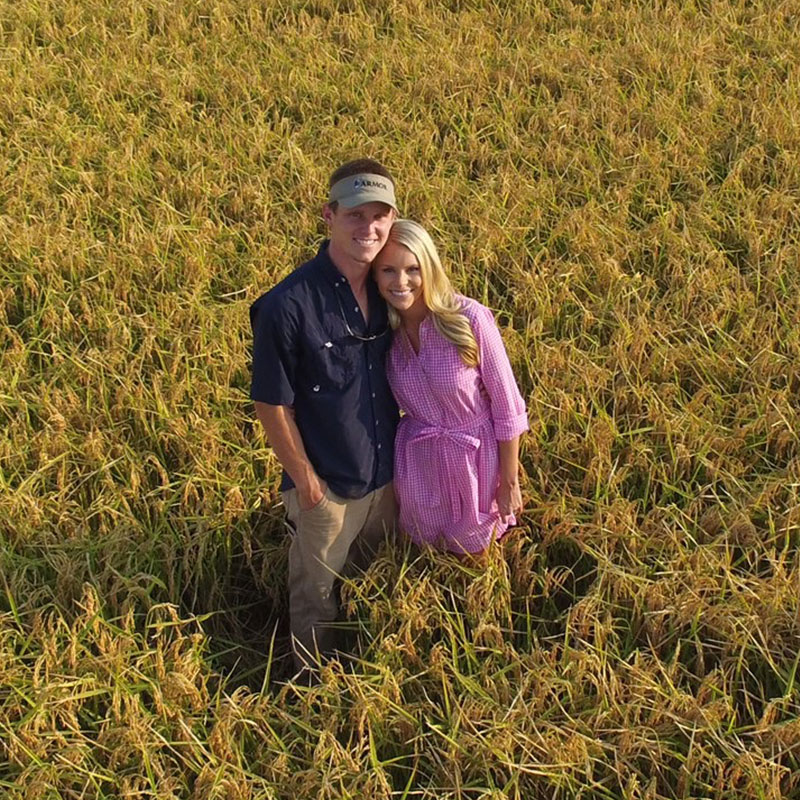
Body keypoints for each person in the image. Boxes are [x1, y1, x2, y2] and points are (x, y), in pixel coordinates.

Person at [249, 159, 399, 672]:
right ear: (328, 215)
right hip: (327, 487)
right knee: (316, 597)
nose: (369, 227)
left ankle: (363, 673)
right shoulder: (287, 306)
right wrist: (306, 483)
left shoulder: (390, 291)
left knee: (372, 578)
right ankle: (312, 690)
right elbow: (271, 403)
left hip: (385, 478)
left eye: (380, 215)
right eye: (356, 215)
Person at [373, 220, 528, 556]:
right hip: (419, 463)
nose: (401, 282)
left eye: (412, 269)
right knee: (425, 556)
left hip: (477, 462)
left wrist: (509, 480)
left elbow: (508, 408)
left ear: (429, 267)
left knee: (478, 555)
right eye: (387, 270)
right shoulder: (383, 333)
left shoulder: (469, 318)